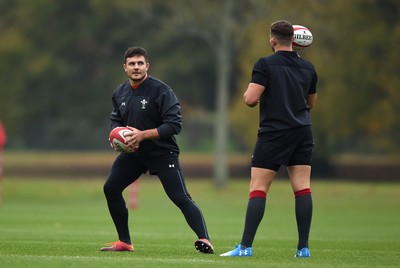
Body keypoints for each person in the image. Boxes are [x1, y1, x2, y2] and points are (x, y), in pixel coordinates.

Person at [100, 46, 214, 254]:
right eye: (132, 64)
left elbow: (174, 125)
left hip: (162, 153)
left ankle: (205, 239)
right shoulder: (120, 92)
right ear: (125, 67)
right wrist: (114, 136)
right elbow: (116, 119)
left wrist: (143, 134)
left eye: (140, 63)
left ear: (147, 66)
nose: (136, 67)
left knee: (180, 197)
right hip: (134, 154)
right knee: (111, 189)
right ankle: (124, 242)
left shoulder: (161, 90)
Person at [220, 20, 317, 258]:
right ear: (293, 40)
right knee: (303, 188)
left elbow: (250, 99)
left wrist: (254, 94)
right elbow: (310, 103)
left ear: (272, 40)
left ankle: (245, 247)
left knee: (259, 188)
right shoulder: (308, 67)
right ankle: (303, 249)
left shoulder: (265, 64)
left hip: (274, 132)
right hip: (303, 130)